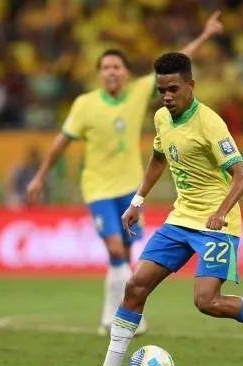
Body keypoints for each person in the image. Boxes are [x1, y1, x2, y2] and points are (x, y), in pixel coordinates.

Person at [66, 52, 243, 366]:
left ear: (191, 85)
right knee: (135, 286)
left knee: (206, 302)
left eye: (173, 89)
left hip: (217, 223)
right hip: (181, 218)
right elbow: (158, 159)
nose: (167, 97)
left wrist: (220, 212)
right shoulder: (162, 118)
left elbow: (242, 175)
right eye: (162, 90)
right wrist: (137, 201)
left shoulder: (210, 122)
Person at [26, 12, 225, 336]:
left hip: (130, 188)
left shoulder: (138, 91)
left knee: (128, 253)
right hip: (98, 189)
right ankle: (117, 317)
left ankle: (116, 314)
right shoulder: (85, 104)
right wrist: (40, 176)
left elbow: (178, 62)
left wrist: (205, 35)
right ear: (99, 74)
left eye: (117, 67)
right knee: (116, 250)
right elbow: (61, 142)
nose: (111, 72)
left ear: (127, 73)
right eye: (105, 67)